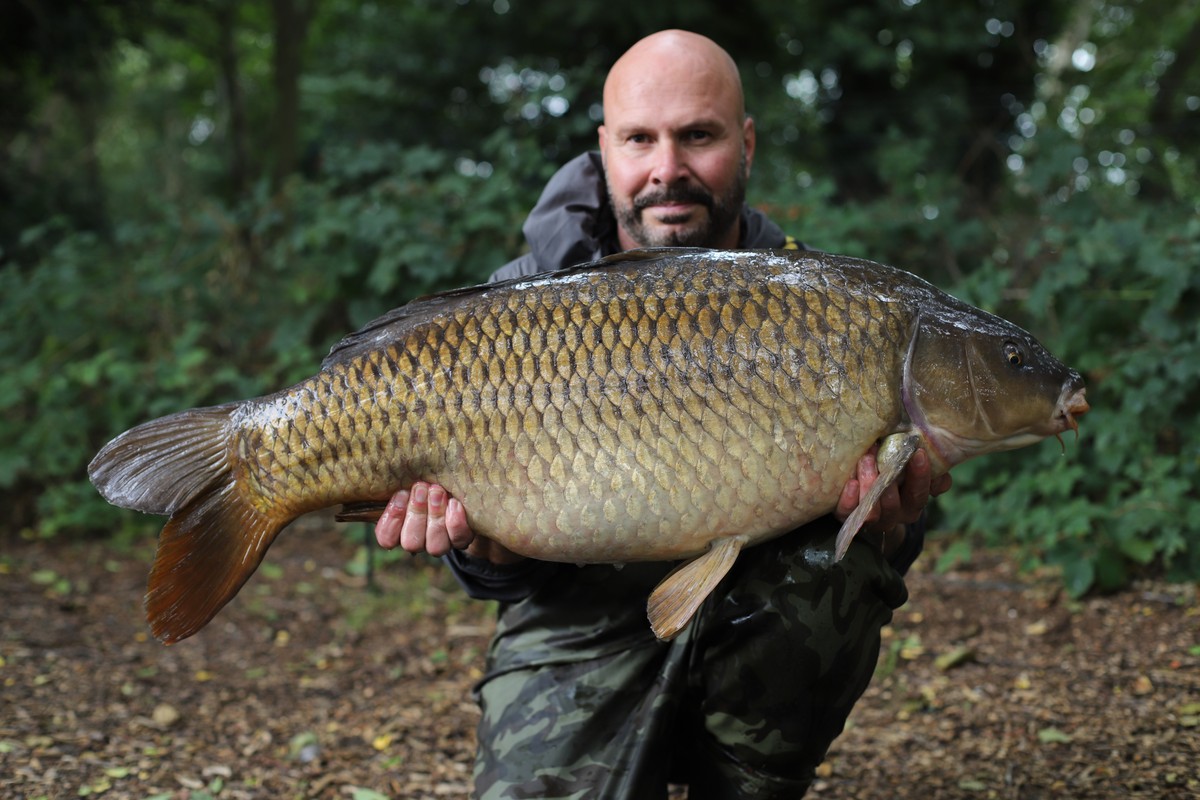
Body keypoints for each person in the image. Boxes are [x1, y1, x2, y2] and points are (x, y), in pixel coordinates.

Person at [376, 30, 951, 799]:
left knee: (836, 578)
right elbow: (496, 580)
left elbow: (891, 546)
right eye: (641, 139)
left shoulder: (822, 302)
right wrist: (480, 546)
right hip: (582, 616)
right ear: (605, 147)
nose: (667, 170)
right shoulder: (517, 301)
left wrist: (890, 525)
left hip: (760, 612)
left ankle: (746, 776)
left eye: (699, 136)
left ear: (745, 143)